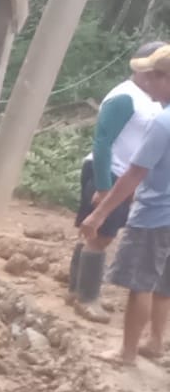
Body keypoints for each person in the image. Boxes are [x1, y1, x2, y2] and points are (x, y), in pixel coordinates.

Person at [69, 40, 169, 323]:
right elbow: (102, 142)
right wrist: (103, 186)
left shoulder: (148, 99)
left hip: (123, 174)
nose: (153, 78)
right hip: (109, 171)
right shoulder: (125, 97)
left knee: (99, 234)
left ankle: (77, 290)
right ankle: (86, 298)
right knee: (100, 236)